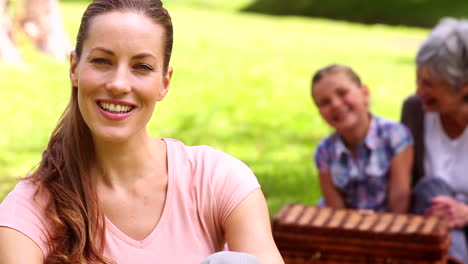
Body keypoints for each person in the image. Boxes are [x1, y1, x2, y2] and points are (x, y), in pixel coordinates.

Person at [0, 0, 284, 263]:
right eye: (102, 61)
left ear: (164, 83)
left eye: (142, 67)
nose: (119, 84)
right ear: (74, 68)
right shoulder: (29, 208)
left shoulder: (218, 179)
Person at [401, 17, 468, 263]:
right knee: (431, 188)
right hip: (432, 228)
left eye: (428, 84)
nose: (419, 91)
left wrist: (466, 213)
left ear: (463, 87)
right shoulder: (414, 110)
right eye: (417, 79)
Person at [311, 64, 414, 213]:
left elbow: (400, 201)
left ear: (365, 93)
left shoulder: (395, 136)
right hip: (346, 229)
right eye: (325, 102)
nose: (336, 104)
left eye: (342, 93)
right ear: (320, 113)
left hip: (390, 225)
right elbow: (335, 211)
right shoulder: (324, 151)